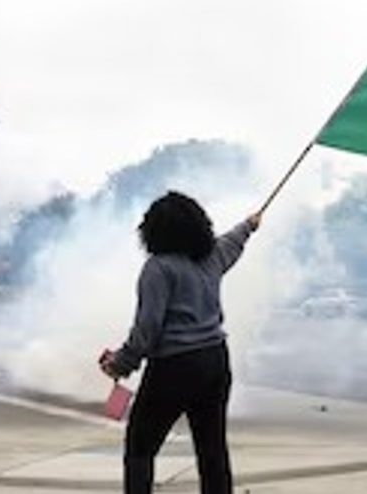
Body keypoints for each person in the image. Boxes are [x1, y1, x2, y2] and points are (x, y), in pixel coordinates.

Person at [100, 191, 261, 494]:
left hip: (174, 366)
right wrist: (248, 226)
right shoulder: (211, 257)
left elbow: (147, 330)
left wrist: (120, 363)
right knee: (212, 449)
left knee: (140, 448)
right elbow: (232, 241)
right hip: (215, 360)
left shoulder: (158, 268)